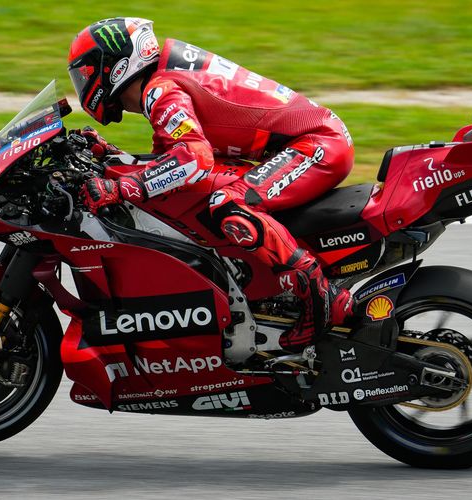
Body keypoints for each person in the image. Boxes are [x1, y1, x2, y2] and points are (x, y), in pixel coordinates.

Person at [67, 17, 355, 349]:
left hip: (317, 143)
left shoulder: (162, 89)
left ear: (114, 66)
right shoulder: (160, 84)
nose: (83, 85)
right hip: (303, 142)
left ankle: (319, 294)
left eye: (85, 74)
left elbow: (193, 159)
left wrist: (121, 188)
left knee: (229, 202)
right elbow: (166, 159)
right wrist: (113, 156)